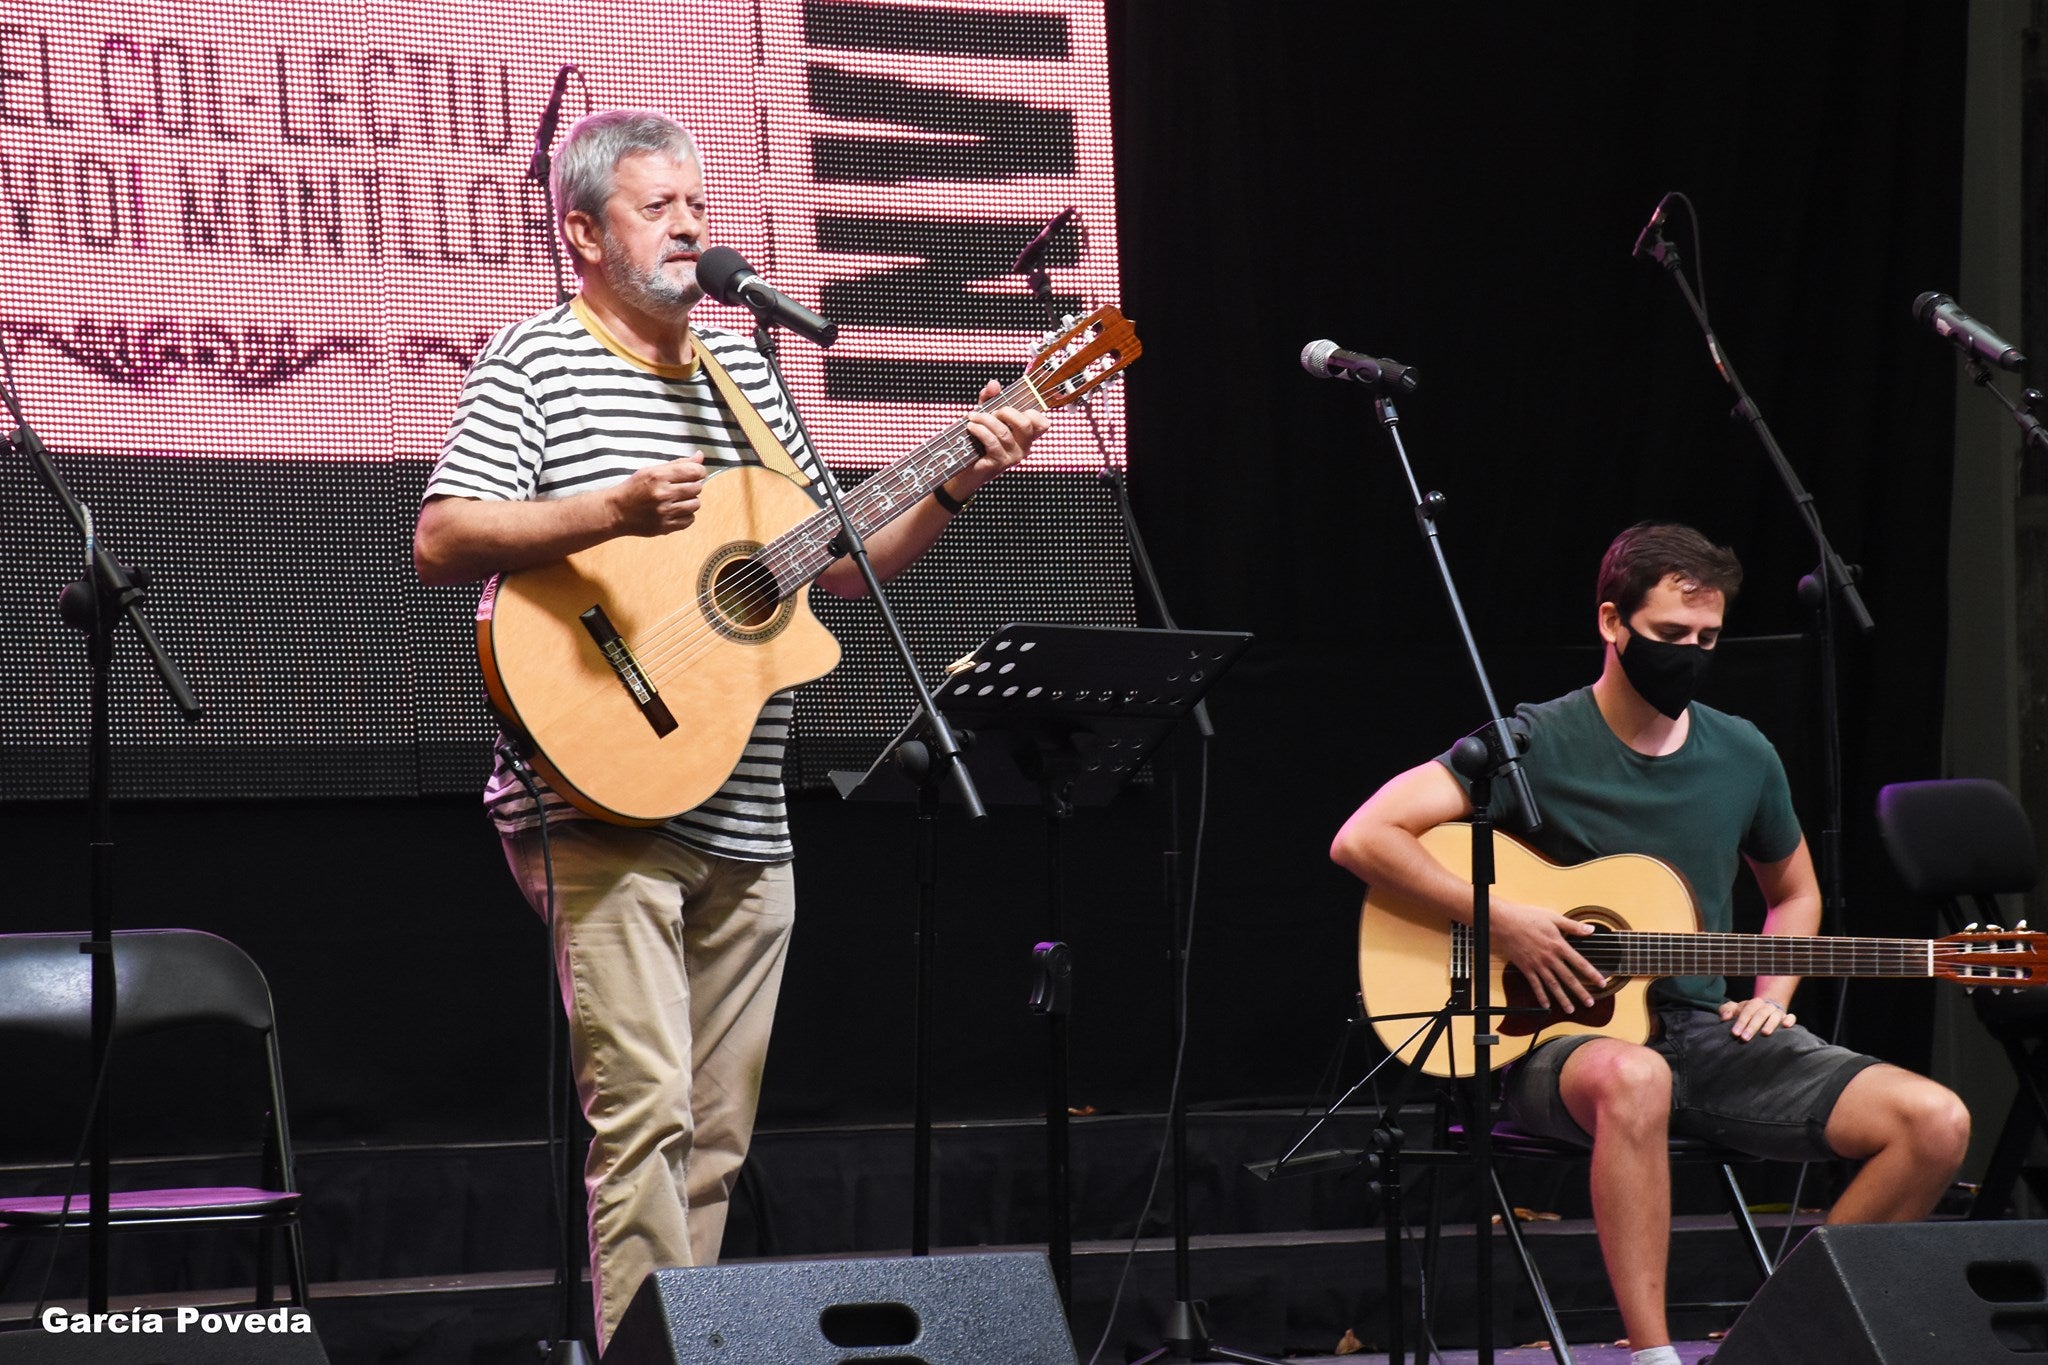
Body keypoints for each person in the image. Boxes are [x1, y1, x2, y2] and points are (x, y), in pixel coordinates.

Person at [412, 109, 1049, 1347]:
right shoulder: (534, 359)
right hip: (591, 792)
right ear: (582, 233)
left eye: (697, 207)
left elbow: (832, 570)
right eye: (660, 208)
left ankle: (677, 1342)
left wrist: (961, 470)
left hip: (744, 804)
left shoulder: (746, 374)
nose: (693, 228)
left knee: (714, 1131)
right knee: (641, 1109)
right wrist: (602, 510)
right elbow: (443, 538)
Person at [1329, 522, 1970, 1365]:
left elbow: (1795, 892)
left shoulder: (1742, 751)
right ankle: (1654, 1355)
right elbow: (1364, 836)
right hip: (1554, 1041)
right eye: (1671, 636)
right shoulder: (1535, 740)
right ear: (1613, 622)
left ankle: (1761, 1341)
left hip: (1703, 1032)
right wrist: (1504, 919)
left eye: (1708, 639)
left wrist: (1771, 996)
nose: (1692, 655)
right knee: (1637, 1075)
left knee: (1935, 1121)